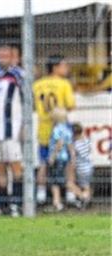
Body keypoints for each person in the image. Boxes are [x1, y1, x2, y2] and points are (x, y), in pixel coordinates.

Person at [0, 45, 25, 216]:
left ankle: (18, 204)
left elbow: (27, 101)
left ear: (12, 56)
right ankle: (4, 205)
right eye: (0, 55)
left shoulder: (18, 76)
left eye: (6, 55)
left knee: (15, 167)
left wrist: (24, 126)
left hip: (12, 130)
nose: (2, 58)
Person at [32, 55, 76, 205]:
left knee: (44, 163)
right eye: (64, 65)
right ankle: (70, 194)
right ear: (55, 67)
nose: (67, 68)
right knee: (68, 161)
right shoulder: (64, 84)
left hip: (44, 128)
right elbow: (70, 105)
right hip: (60, 128)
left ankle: (41, 193)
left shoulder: (38, 84)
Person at [45, 107, 73, 212]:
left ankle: (57, 202)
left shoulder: (57, 129)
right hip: (64, 158)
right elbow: (70, 145)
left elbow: (59, 143)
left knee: (54, 181)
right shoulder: (67, 129)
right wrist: (72, 157)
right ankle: (58, 202)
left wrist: (52, 156)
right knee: (60, 180)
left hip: (57, 158)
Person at [67, 123, 93, 208]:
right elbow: (89, 150)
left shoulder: (75, 145)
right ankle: (87, 200)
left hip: (81, 168)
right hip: (89, 167)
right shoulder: (87, 140)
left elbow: (73, 157)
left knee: (71, 184)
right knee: (86, 185)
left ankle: (83, 198)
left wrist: (72, 165)